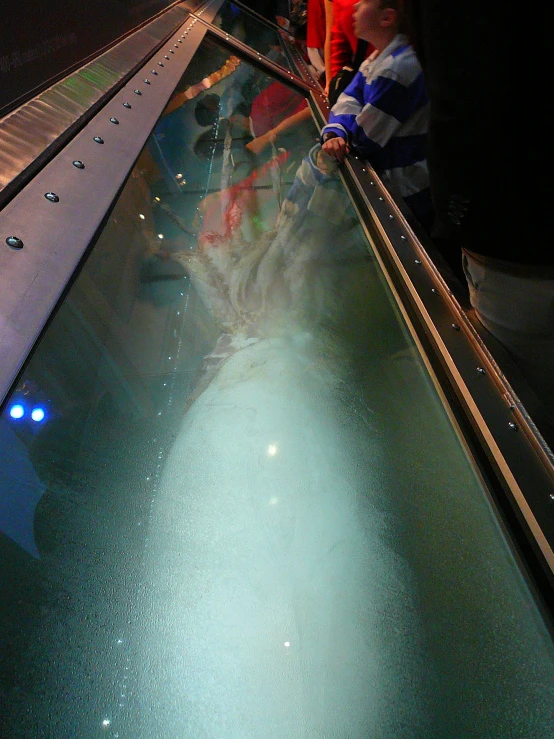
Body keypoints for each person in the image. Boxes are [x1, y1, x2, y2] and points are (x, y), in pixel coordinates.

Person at [405, 0, 554, 424]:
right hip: (518, 231)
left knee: (532, 416)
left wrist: (457, 219)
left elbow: (465, 99)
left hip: (517, 242)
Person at [321, 0, 432, 229]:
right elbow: (348, 99)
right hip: (391, 185)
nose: (354, 7)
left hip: (406, 194)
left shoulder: (398, 68)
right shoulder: (376, 60)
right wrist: (336, 129)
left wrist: (343, 135)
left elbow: (364, 139)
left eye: (362, 3)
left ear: (387, 18)